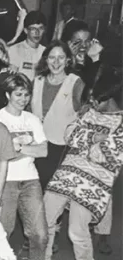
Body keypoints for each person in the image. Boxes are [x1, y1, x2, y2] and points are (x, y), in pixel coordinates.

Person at [43, 63, 122, 260]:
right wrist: (93, 139)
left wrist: (86, 140)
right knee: (46, 216)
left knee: (77, 229)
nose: (93, 104)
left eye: (97, 100)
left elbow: (109, 156)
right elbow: (69, 134)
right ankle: (43, 257)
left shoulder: (121, 123)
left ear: (110, 99)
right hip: (66, 174)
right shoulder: (90, 114)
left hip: (93, 184)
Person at [0, 73, 50, 260]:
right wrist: (24, 150)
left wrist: (17, 148)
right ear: (8, 94)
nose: (23, 99)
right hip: (6, 181)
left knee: (39, 232)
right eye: (18, 94)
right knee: (3, 232)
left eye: (26, 94)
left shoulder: (32, 119)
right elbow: (1, 155)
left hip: (30, 179)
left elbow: (44, 150)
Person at [31, 40, 84, 187]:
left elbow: (84, 114)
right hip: (37, 146)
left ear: (68, 60)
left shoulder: (76, 83)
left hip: (60, 150)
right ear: (46, 59)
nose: (56, 62)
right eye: (52, 57)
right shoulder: (37, 81)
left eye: (60, 57)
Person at [7, 11, 46, 82]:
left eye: (40, 28)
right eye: (33, 29)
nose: (37, 32)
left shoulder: (46, 52)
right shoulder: (14, 50)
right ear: (25, 30)